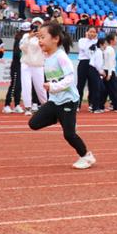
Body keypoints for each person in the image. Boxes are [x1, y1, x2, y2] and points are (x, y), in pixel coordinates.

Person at [28, 22, 96, 169]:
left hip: (68, 100)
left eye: (42, 37)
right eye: (38, 37)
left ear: (55, 39)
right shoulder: (47, 56)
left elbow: (70, 78)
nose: (40, 40)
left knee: (69, 134)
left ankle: (86, 156)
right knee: (33, 124)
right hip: (55, 100)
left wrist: (53, 86)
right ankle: (60, 118)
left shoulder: (61, 57)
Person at [20, 18, 48, 115]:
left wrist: (40, 38)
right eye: (35, 24)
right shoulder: (26, 36)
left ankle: (45, 106)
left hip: (38, 65)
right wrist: (29, 38)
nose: (37, 26)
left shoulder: (45, 37)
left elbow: (46, 49)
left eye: (39, 24)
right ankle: (28, 107)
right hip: (26, 64)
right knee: (26, 86)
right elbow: (22, 48)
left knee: (41, 87)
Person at [2, 23, 26, 114]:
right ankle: (7, 105)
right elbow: (17, 54)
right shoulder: (19, 40)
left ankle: (17, 104)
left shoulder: (28, 40)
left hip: (23, 66)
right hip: (16, 65)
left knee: (19, 86)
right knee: (14, 85)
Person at [76, 26, 99, 109]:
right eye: (90, 31)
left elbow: (96, 53)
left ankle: (91, 104)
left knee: (92, 85)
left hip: (92, 64)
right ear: (87, 32)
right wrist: (90, 41)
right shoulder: (82, 40)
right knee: (80, 85)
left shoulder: (97, 41)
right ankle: (77, 104)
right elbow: (85, 50)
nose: (92, 33)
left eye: (94, 32)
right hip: (83, 62)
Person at [88, 38, 107, 113]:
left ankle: (95, 106)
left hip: (94, 71)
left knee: (101, 89)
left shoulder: (99, 52)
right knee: (97, 89)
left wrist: (100, 72)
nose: (106, 45)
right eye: (105, 44)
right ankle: (95, 108)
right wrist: (102, 72)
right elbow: (97, 65)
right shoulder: (99, 52)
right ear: (101, 45)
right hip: (94, 70)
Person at [102, 33, 117, 110]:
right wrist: (110, 74)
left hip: (106, 70)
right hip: (109, 70)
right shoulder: (110, 49)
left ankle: (101, 105)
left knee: (105, 90)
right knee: (113, 90)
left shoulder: (106, 49)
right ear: (111, 41)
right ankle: (116, 107)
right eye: (116, 39)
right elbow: (110, 62)